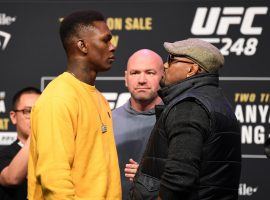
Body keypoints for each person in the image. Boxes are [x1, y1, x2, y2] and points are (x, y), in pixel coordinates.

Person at [130, 38, 241, 200]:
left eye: (171, 60)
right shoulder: (217, 102)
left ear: (192, 69)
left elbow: (179, 177)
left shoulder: (189, 106)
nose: (165, 65)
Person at [28, 10, 121, 199]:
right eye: (106, 40)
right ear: (82, 46)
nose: (112, 47)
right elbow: (54, 179)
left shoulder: (99, 98)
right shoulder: (58, 98)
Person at [113, 49, 164, 199]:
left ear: (163, 77)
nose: (142, 80)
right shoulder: (107, 121)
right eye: (135, 73)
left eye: (150, 72)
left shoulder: (175, 120)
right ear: (126, 78)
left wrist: (149, 179)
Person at [0, 87, 41, 200]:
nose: (34, 117)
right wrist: (37, 131)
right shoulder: (5, 154)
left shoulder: (56, 151)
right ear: (13, 117)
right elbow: (12, 178)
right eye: (28, 111)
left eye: (39, 112)